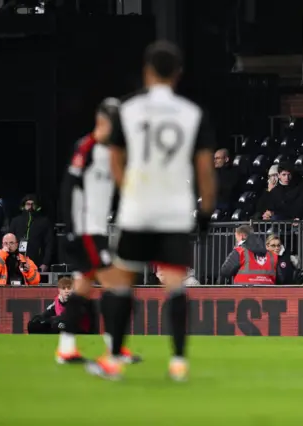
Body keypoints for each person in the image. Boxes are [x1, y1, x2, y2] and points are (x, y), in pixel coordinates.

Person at [87, 40, 217, 382]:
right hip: (175, 210)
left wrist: (127, 190)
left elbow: (115, 157)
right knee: (175, 284)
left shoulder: (128, 108)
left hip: (139, 208)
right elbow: (205, 169)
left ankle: (113, 358)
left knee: (120, 282)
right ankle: (178, 362)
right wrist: (205, 213)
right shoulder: (192, 113)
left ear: (146, 71)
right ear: (178, 74)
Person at [55, 98, 140, 365]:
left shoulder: (112, 150)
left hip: (99, 229)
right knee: (117, 284)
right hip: (87, 231)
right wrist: (71, 228)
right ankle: (114, 348)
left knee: (82, 288)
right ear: (100, 120)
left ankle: (66, 349)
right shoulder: (86, 147)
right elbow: (69, 188)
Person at [28, 277, 97, 334]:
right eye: (64, 289)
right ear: (59, 290)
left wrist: (54, 320)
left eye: (69, 288)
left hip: (78, 331)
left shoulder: (77, 302)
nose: (67, 291)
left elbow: (74, 320)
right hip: (61, 327)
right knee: (34, 323)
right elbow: (45, 316)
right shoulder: (56, 303)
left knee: (59, 324)